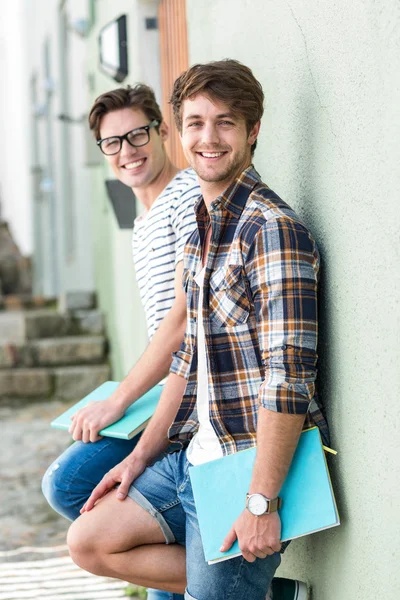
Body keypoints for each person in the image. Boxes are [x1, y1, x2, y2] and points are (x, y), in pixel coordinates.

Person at [66, 60, 329, 600]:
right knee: (89, 540)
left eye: (225, 122)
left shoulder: (272, 232)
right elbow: (188, 360)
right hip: (193, 459)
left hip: (242, 469)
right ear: (180, 130)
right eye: (196, 122)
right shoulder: (203, 230)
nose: (208, 138)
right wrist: (137, 462)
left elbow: (288, 382)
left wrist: (261, 503)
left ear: (253, 131)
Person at [42, 83, 200, 600]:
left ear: (160, 131)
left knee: (67, 485)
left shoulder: (189, 196)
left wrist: (119, 400)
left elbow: (181, 325)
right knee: (141, 552)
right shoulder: (141, 223)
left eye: (137, 135)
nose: (127, 151)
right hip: (169, 387)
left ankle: (241, 582)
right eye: (112, 142)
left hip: (194, 393)